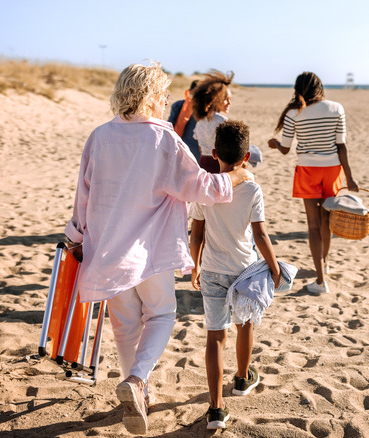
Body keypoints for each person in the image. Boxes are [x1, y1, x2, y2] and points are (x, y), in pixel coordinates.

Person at [64, 63, 253, 435]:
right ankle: (136, 381)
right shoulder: (162, 138)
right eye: (163, 94)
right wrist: (235, 176)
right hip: (150, 252)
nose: (166, 100)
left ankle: (139, 390)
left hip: (107, 252)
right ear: (150, 96)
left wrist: (76, 237)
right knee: (163, 315)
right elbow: (199, 187)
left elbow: (82, 199)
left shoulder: (99, 137)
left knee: (124, 326)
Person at [188, 120, 281, 429]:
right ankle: (242, 379)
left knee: (215, 337)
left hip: (212, 270)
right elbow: (260, 236)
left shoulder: (206, 188)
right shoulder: (253, 188)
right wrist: (276, 267)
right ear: (246, 157)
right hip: (243, 271)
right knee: (245, 325)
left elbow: (196, 234)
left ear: (215, 154)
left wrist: (194, 265)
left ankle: (216, 409)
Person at [267, 72, 359, 294]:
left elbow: (286, 149)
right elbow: (341, 146)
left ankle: (320, 280)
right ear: (320, 87)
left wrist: (276, 144)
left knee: (313, 226)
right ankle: (324, 263)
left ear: (298, 89)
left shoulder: (293, 113)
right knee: (327, 221)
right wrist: (350, 177)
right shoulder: (336, 108)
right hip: (332, 171)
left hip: (308, 171)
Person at [192, 70, 233, 173]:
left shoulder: (200, 122)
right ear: (216, 99)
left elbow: (201, 149)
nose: (229, 103)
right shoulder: (223, 121)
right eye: (226, 99)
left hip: (203, 165)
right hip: (220, 165)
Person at [168, 79, 200, 162]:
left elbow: (169, 126)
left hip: (179, 148)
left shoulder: (178, 105)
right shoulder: (205, 110)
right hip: (198, 152)